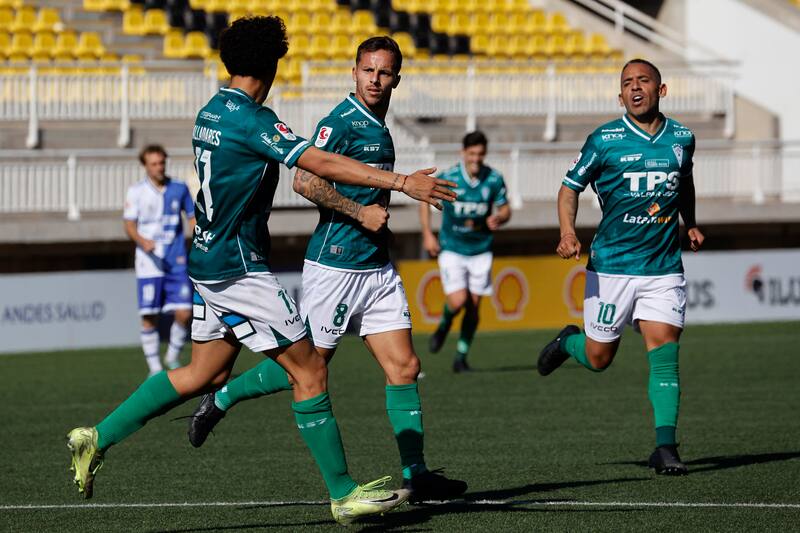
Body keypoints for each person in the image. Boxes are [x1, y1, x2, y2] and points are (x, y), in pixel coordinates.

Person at [65, 17, 456, 526]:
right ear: (271, 64)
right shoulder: (253, 120)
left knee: (202, 373)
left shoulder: (211, 110)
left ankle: (97, 437)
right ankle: (342, 494)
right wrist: (401, 182)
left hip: (207, 261)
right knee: (311, 369)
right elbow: (316, 164)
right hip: (238, 269)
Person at [187, 36, 467, 504]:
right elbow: (304, 178)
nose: (376, 79)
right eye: (368, 70)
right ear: (354, 73)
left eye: (385, 72)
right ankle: (221, 398)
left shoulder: (380, 125)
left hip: (375, 267)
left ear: (398, 78)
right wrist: (361, 213)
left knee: (405, 367)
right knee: (308, 368)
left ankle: (416, 474)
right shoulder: (339, 122)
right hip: (334, 268)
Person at [536, 59, 705, 475]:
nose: (635, 88)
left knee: (665, 354)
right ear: (620, 95)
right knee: (598, 359)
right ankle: (568, 343)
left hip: (663, 267)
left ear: (660, 90)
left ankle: (666, 447)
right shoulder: (605, 139)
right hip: (610, 268)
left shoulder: (682, 137)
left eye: (643, 81)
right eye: (627, 83)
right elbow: (568, 188)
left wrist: (692, 223)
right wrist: (567, 233)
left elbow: (684, 184)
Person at [421, 131, 511, 372]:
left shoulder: (493, 179)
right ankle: (443, 325)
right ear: (463, 153)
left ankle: (461, 356)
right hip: (452, 248)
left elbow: (505, 209)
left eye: (480, 154)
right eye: (472, 153)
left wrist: (499, 218)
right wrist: (428, 233)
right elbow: (424, 199)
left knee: (473, 306)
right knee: (458, 300)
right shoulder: (450, 177)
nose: (476, 158)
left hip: (481, 250)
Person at [123, 145, 195, 375]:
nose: (159, 167)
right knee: (149, 314)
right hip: (148, 262)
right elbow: (129, 225)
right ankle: (154, 368)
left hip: (176, 259)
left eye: (162, 162)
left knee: (185, 311)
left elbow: (192, 217)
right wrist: (142, 241)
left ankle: (172, 357)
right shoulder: (136, 192)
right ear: (145, 166)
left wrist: (197, 240)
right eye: (154, 164)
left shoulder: (179, 188)